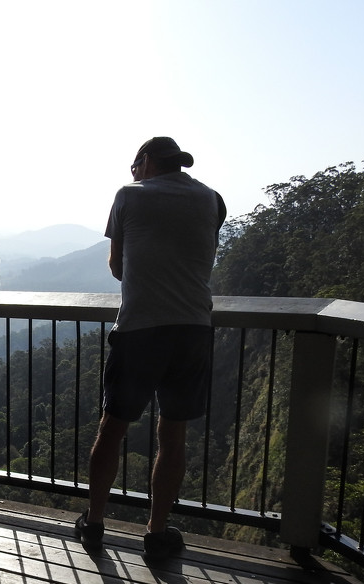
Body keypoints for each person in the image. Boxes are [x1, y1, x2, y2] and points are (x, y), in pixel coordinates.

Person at [78, 137, 226, 558]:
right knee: (173, 434)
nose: (132, 173)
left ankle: (94, 523)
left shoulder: (128, 196)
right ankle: (156, 532)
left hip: (140, 330)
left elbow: (117, 267)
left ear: (145, 162)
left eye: (134, 165)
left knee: (112, 429)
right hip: (193, 328)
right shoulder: (212, 199)